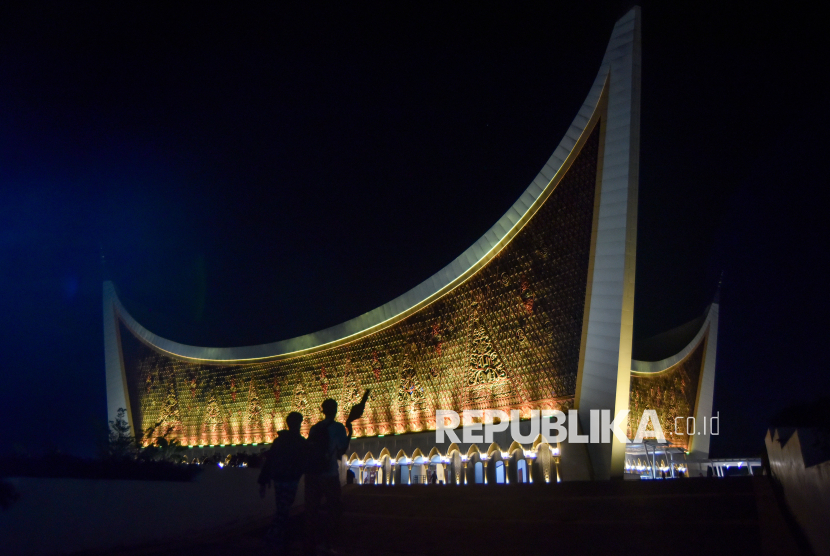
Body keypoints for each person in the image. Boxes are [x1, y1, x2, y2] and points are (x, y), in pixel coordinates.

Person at [304, 398, 353, 555]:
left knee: (313, 509)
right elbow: (342, 451)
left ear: (322, 410)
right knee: (333, 507)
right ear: (335, 410)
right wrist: (350, 431)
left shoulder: (314, 428)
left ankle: (311, 542)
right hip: (329, 473)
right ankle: (327, 542)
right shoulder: (338, 428)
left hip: (313, 474)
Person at [258, 411, 307, 553]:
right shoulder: (300, 442)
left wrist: (263, 481)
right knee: (284, 510)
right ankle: (273, 537)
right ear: (298, 423)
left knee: (282, 508)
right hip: (290, 480)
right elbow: (305, 461)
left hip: (280, 480)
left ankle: (275, 537)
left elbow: (270, 461)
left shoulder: (280, 441)